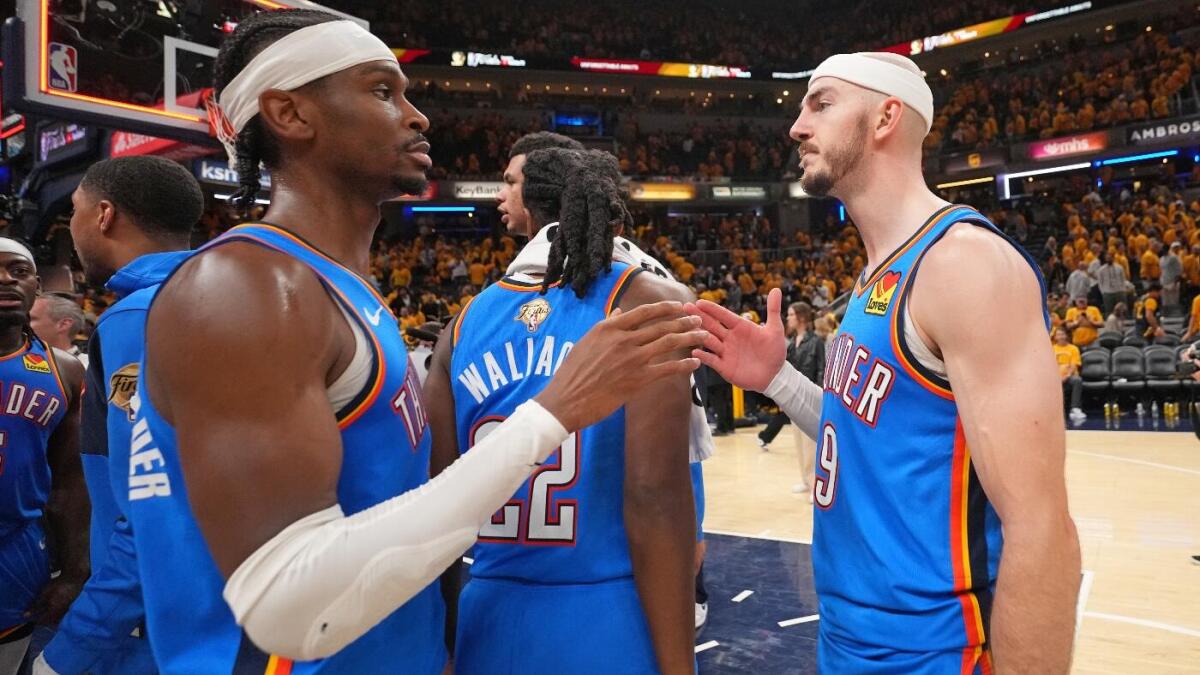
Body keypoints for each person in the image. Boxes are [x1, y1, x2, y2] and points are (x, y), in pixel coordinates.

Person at [126, 11, 704, 673]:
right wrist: (552, 414)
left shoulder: (351, 296)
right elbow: (288, 606)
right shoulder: (244, 288)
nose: (418, 115)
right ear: (289, 113)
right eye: (380, 91)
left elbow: (405, 520)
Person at [688, 51, 1080, 672]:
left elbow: (1043, 528)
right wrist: (780, 381)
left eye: (820, 103)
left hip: (935, 651)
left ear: (885, 118)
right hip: (847, 636)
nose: (796, 127)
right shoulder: (877, 272)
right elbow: (866, 440)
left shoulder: (962, 264)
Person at [427, 148, 696, 674]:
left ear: (530, 207)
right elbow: (653, 499)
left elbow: (437, 506)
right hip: (603, 617)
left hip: (488, 614)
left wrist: (447, 645)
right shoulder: (650, 302)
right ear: (611, 207)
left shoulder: (459, 327)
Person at [35, 157, 203, 675]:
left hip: (150, 625)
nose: (75, 227)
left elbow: (155, 505)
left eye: (76, 212)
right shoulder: (218, 295)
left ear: (104, 215)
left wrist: (76, 647)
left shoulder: (138, 315)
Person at [0, 240, 87, 675]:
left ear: (37, 285)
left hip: (16, 553)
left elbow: (70, 482)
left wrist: (74, 572)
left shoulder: (66, 371)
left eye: (19, 270)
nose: (5, 279)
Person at [756, 302, 823, 498]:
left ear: (801, 317)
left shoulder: (815, 341)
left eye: (792, 314)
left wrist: (819, 393)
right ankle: (805, 479)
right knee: (799, 443)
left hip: (810, 396)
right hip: (794, 395)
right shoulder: (793, 342)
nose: (788, 318)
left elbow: (821, 368)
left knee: (812, 445)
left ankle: (815, 484)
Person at [28, 296, 87, 369]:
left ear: (63, 325)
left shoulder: (89, 368)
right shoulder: (17, 361)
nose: (21, 324)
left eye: (30, 319)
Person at [1052, 327, 1087, 426]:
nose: (1061, 337)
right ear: (1055, 337)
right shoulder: (1051, 349)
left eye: (1062, 334)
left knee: (1077, 380)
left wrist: (1066, 376)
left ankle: (1075, 409)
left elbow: (1074, 365)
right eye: (1058, 335)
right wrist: (1057, 378)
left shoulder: (1073, 348)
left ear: (1066, 336)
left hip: (1069, 376)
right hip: (1055, 378)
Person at [1095, 251, 1127, 316]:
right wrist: (1103, 292)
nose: (1109, 259)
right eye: (1107, 258)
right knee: (1109, 310)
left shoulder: (1119, 267)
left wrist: (1123, 289)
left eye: (1110, 258)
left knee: (1122, 309)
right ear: (1105, 259)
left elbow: (1123, 279)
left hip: (1119, 291)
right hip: (1108, 292)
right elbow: (1100, 282)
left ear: (1113, 258)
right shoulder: (1101, 270)